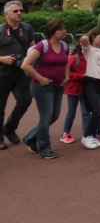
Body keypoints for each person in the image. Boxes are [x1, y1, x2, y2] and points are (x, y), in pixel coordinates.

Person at [20, 19, 70, 159]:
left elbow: (66, 62)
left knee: (54, 116)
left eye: (64, 28)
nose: (64, 31)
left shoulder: (64, 46)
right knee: (46, 116)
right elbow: (25, 65)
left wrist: (67, 77)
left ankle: (30, 138)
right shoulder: (43, 46)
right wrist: (40, 78)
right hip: (42, 86)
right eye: (61, 29)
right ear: (53, 31)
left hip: (58, 86)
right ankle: (45, 149)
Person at [0, 0, 33, 150]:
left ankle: (9, 127)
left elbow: (33, 47)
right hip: (2, 74)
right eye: (15, 11)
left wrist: (30, 60)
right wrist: (2, 59)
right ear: (6, 14)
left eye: (21, 10)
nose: (19, 13)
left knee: (25, 100)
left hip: (20, 72)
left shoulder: (27, 28)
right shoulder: (0, 30)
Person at [60, 41, 88, 144]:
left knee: (86, 112)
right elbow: (67, 72)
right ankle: (65, 133)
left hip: (85, 88)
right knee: (71, 112)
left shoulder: (89, 59)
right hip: (73, 88)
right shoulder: (75, 58)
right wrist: (81, 76)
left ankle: (87, 133)